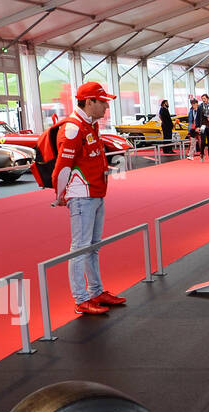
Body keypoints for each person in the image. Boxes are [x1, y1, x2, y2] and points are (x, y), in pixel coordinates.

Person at [52, 81, 125, 316]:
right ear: (90, 101)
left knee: (92, 248)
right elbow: (62, 167)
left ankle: (95, 291)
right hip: (82, 196)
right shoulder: (73, 128)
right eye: (102, 102)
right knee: (80, 248)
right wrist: (60, 194)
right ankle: (81, 298)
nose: (106, 107)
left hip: (95, 194)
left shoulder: (90, 125)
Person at [195, 94, 209, 163]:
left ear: (208, 99)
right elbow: (197, 117)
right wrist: (197, 126)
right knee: (203, 142)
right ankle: (202, 154)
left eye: (204, 98)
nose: (203, 100)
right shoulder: (200, 107)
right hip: (203, 126)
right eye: (202, 99)